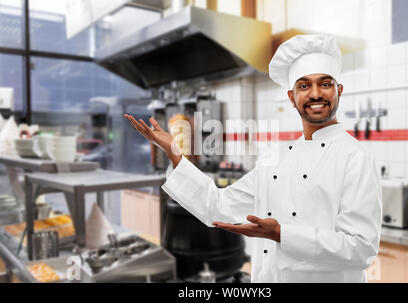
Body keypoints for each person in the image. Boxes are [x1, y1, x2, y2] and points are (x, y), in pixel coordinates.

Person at [124, 35, 382, 283]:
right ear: (292, 98)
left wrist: (281, 233)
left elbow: (361, 248)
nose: (315, 94)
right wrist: (175, 154)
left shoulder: (355, 157)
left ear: (338, 90)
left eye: (325, 83)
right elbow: (217, 205)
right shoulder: (277, 159)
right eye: (304, 85)